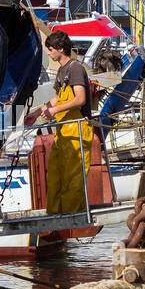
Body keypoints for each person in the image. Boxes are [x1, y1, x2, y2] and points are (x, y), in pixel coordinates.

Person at [37, 31, 94, 215]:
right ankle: (55, 214)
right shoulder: (62, 70)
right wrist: (37, 113)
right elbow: (58, 98)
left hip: (77, 131)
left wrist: (53, 111)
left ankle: (72, 216)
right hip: (63, 133)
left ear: (61, 50)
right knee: (55, 175)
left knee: (73, 178)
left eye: (50, 49)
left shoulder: (75, 68)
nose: (48, 53)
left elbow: (80, 99)